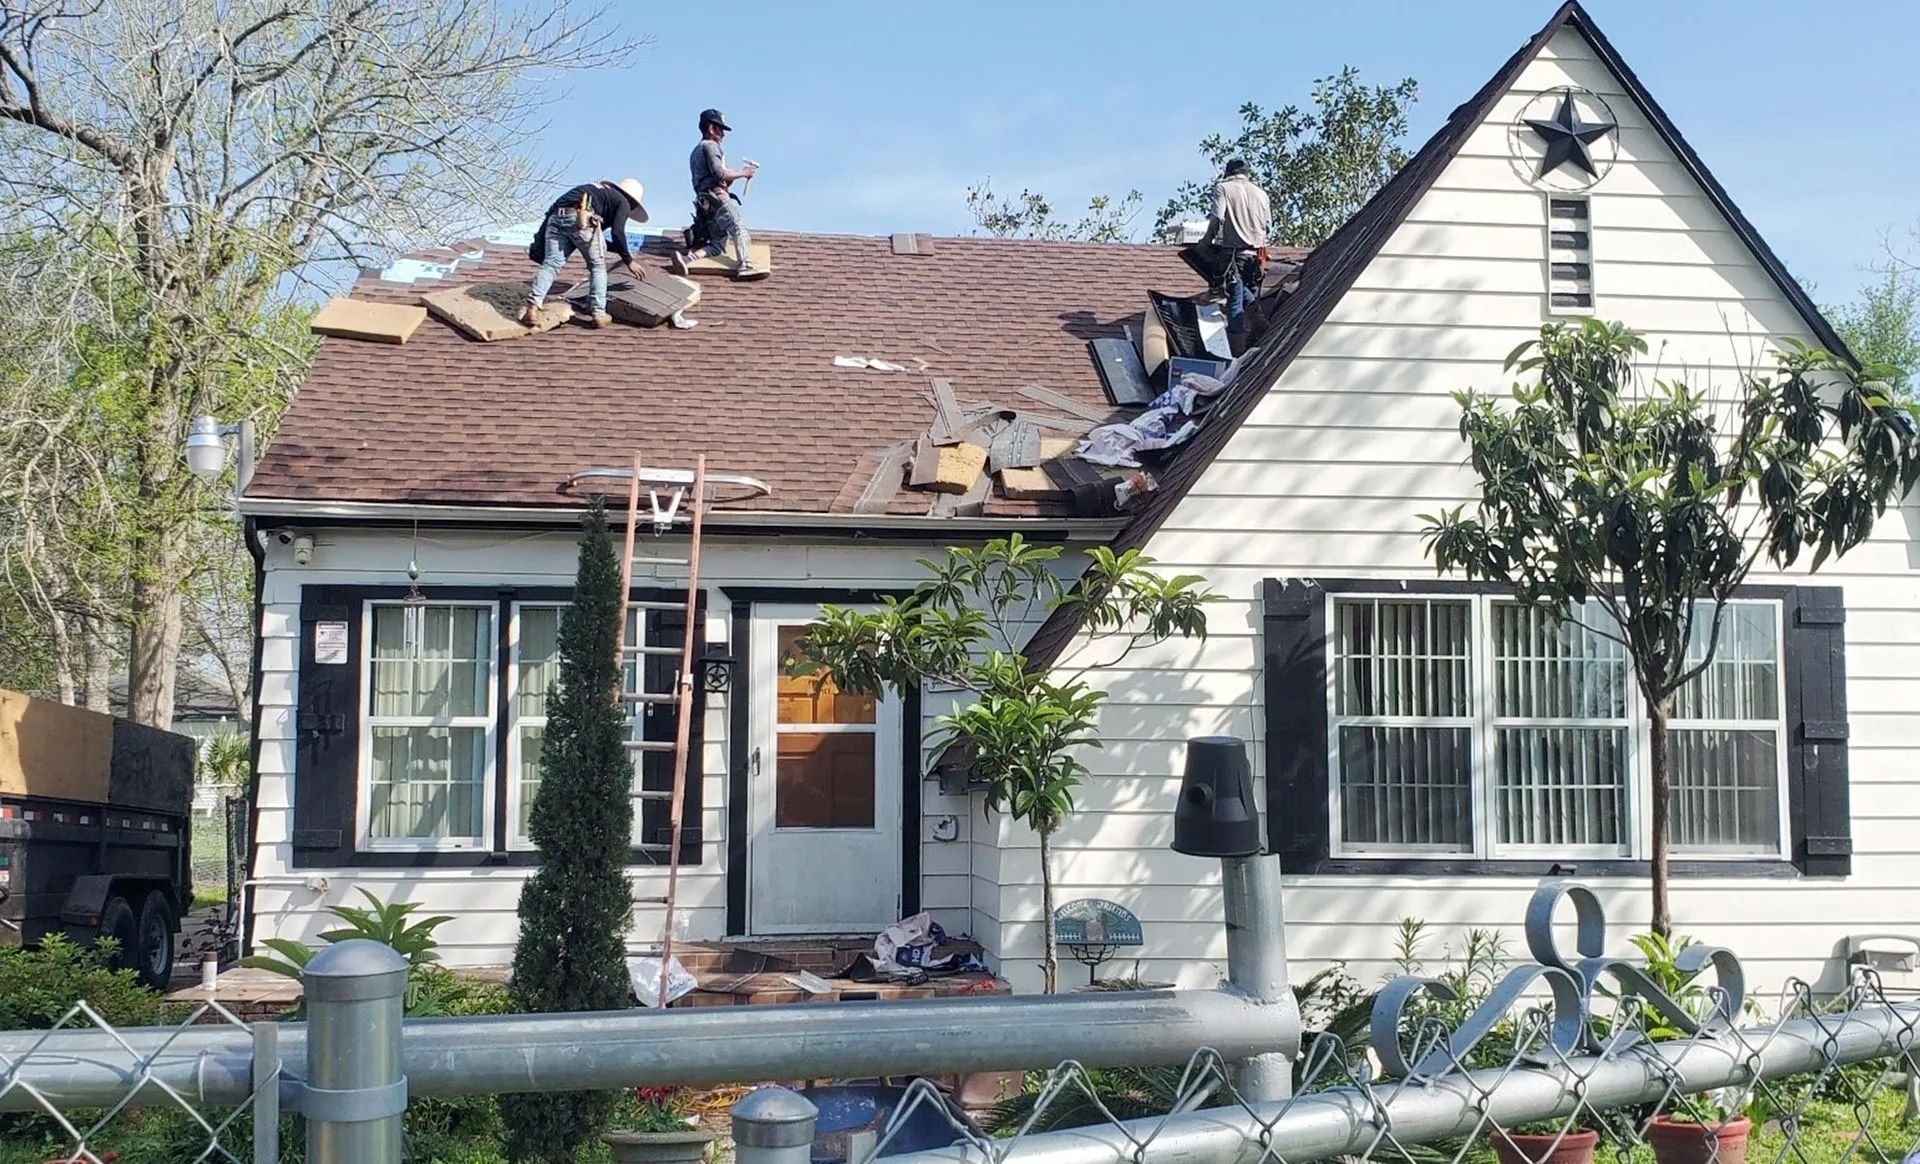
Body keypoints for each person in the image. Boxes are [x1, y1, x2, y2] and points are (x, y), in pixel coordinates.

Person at [522, 178, 650, 328]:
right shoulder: (623, 202)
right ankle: (599, 313)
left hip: (556, 219)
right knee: (597, 266)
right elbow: (617, 233)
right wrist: (629, 261)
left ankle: (533, 307)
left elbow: (595, 240)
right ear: (633, 202)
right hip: (583, 219)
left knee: (551, 264)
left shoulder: (597, 193)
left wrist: (539, 243)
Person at [671, 109, 764, 281]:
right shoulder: (710, 146)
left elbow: (717, 178)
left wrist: (733, 176)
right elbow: (719, 174)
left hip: (706, 204)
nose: (723, 134)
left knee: (717, 245)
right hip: (718, 198)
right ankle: (745, 265)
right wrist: (742, 173)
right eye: (720, 129)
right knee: (739, 228)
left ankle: (686, 260)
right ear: (711, 129)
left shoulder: (696, 151)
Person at [1199, 159, 1273, 338]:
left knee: (1234, 298)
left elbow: (1217, 219)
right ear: (1247, 174)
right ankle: (1259, 320)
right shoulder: (1261, 193)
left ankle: (1236, 347)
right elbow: (1268, 225)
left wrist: (1206, 242)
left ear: (1228, 173)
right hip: (1256, 255)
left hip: (1234, 253)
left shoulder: (1223, 188)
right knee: (1242, 290)